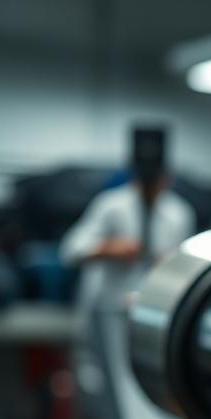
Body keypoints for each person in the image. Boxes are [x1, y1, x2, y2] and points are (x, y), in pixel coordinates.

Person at [61, 126, 195, 323]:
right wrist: (107, 248)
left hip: (155, 305)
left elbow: (186, 262)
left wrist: (170, 262)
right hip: (108, 305)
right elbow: (69, 251)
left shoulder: (179, 212)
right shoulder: (110, 205)